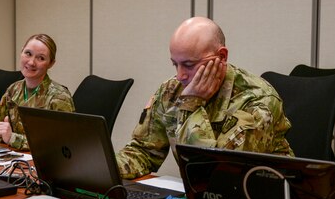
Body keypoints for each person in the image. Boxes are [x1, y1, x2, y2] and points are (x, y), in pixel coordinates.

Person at [116, 17, 293, 179]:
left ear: (221, 57)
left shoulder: (256, 100)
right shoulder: (171, 90)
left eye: (189, 65)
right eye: (175, 64)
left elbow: (218, 175)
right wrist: (106, 170)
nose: (180, 76)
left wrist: (192, 104)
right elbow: (144, 151)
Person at [0, 34, 75, 150]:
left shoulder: (59, 97)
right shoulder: (13, 90)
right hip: (14, 160)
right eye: (28, 53)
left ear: (51, 63)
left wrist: (13, 139)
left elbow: (63, 144)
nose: (32, 62)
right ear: (21, 52)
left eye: (41, 58)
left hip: (43, 164)